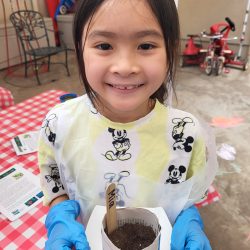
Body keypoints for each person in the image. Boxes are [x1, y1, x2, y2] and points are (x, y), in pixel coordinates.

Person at [38, 0, 217, 249]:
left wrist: (189, 219)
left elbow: (189, 193)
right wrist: (59, 217)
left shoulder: (185, 134)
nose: (124, 67)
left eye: (145, 45)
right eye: (104, 45)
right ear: (79, 47)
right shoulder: (57, 125)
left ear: (170, 50)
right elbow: (53, 179)